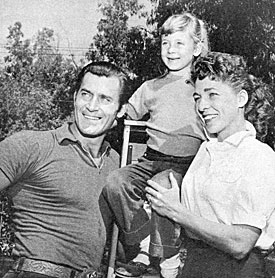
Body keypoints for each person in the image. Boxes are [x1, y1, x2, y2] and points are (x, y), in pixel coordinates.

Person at [145, 52, 275, 278]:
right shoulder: (205, 151)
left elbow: (241, 243)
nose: (202, 106)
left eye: (212, 95)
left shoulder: (258, 155)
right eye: (197, 98)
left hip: (238, 271)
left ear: (241, 99)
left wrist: (177, 212)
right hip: (195, 265)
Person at [102, 12, 209, 278]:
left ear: (196, 48)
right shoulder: (151, 87)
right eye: (165, 43)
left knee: (162, 187)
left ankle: (168, 257)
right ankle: (142, 245)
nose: (170, 50)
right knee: (116, 182)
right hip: (150, 158)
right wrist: (113, 109)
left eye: (179, 44)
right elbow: (128, 111)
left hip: (187, 164)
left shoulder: (203, 86)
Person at [0, 61, 129, 278]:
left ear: (121, 110)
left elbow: (132, 242)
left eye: (105, 99)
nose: (92, 106)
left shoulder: (119, 165)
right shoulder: (31, 146)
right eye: (86, 94)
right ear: (75, 97)